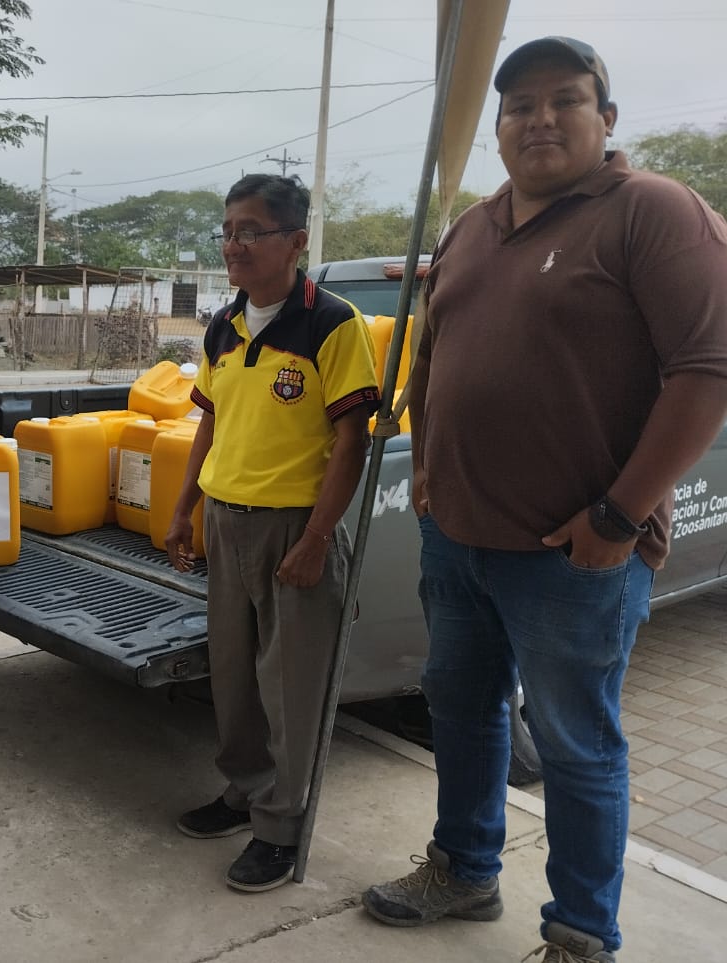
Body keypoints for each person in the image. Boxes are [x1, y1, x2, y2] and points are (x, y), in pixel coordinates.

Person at [361, 37, 727, 962]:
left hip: (575, 556)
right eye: (520, 105)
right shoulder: (472, 227)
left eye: (565, 99)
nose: (541, 119)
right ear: (498, 129)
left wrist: (618, 515)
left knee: (574, 743)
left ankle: (580, 933)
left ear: (607, 119)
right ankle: (464, 869)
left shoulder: (651, 211)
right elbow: (435, 354)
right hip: (457, 537)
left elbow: (708, 370)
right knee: (461, 710)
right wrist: (429, 467)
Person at [165, 174, 379, 892]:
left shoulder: (332, 324)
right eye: (228, 231)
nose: (235, 244)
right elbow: (211, 422)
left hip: (294, 528)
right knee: (233, 676)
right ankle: (243, 791)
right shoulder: (223, 325)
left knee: (291, 686)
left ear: (296, 241)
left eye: (251, 231)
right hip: (226, 521)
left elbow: (352, 442)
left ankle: (282, 828)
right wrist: (184, 508)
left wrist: (317, 539)